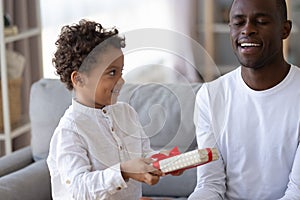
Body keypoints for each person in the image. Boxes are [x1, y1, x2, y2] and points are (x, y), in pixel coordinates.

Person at [188, 0, 300, 199]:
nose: (247, 30)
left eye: (261, 21)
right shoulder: (210, 95)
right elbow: (210, 184)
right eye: (238, 23)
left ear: (285, 30)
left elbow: (297, 191)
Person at [46, 19, 165, 200]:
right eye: (111, 73)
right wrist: (123, 171)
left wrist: (164, 162)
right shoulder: (70, 130)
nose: (121, 81)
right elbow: (78, 189)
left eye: (121, 72)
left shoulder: (126, 113)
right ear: (78, 80)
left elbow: (144, 154)